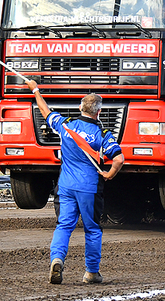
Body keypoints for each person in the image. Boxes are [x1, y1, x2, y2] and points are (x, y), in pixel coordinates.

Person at [26, 79, 124, 285]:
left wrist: (35, 90)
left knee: (64, 226)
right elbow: (119, 159)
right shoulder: (102, 134)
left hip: (66, 186)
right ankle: (91, 272)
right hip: (89, 188)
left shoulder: (66, 125)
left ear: (80, 107)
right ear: (98, 113)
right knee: (92, 229)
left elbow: (45, 111)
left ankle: (57, 259)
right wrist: (110, 174)